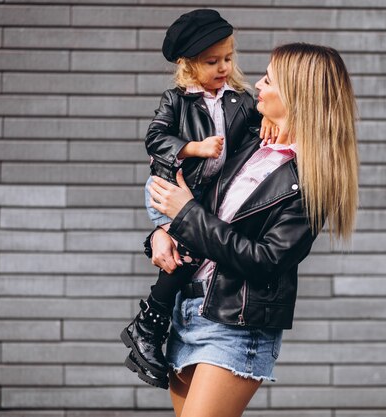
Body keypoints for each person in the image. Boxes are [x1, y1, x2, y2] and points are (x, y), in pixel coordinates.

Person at [145, 43, 360, 417]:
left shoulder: (309, 180)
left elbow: (266, 260)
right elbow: (200, 198)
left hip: (235, 325)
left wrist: (186, 215)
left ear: (296, 95)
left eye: (269, 79)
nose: (256, 84)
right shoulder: (251, 144)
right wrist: (161, 232)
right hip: (190, 308)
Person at [120, 9, 277, 389]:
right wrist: (194, 148)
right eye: (212, 61)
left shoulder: (238, 100)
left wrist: (269, 122)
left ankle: (147, 328)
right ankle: (147, 328)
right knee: (186, 250)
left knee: (186, 256)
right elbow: (155, 139)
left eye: (228, 58)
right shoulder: (176, 100)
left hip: (204, 197)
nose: (223, 67)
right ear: (189, 65)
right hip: (170, 187)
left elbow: (257, 131)